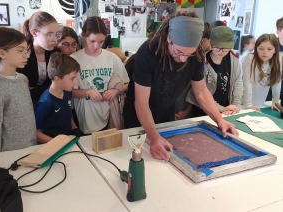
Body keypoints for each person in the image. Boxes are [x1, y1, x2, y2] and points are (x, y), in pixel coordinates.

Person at [123, 11, 238, 161]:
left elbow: (201, 91)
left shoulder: (196, 55)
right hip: (138, 118)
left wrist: (220, 120)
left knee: (167, 162)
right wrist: (153, 137)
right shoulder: (148, 52)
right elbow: (141, 102)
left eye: (188, 54)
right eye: (179, 52)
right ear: (168, 39)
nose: (183, 59)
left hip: (166, 113)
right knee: (138, 160)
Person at [71, 16, 129, 135]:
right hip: (84, 117)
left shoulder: (112, 58)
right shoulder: (74, 60)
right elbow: (69, 91)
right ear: (84, 36)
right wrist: (87, 92)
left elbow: (127, 84)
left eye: (101, 42)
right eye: (92, 41)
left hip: (108, 115)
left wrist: (114, 91)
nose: (96, 46)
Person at [0, 27, 36, 154]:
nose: (26, 55)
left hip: (30, 148)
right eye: (20, 51)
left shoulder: (22, 79)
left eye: (27, 51)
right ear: (2, 53)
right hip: (8, 156)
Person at [186, 26, 242, 117]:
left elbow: (238, 82)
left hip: (227, 111)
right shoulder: (201, 61)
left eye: (225, 48)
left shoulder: (233, 59)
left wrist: (235, 105)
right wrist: (222, 109)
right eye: (217, 47)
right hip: (204, 112)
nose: (221, 51)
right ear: (211, 43)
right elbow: (200, 93)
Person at [35, 52, 81, 143]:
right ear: (57, 79)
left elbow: (67, 113)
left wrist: (74, 128)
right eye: (72, 79)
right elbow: (35, 132)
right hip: (53, 145)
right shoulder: (45, 103)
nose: (76, 82)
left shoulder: (67, 91)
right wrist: (57, 143)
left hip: (67, 140)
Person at [17, 11, 61, 104]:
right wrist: (50, 86)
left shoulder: (56, 53)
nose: (55, 39)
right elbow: (22, 91)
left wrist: (35, 89)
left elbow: (59, 83)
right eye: (49, 34)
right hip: (27, 105)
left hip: (50, 103)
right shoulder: (22, 56)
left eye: (56, 34)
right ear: (34, 32)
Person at [243, 34, 282, 112]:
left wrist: (275, 102)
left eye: (269, 49)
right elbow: (247, 82)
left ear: (275, 50)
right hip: (243, 104)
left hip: (261, 104)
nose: (265, 52)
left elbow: (276, 82)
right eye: (261, 49)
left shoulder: (277, 61)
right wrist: (248, 105)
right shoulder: (251, 59)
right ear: (256, 49)